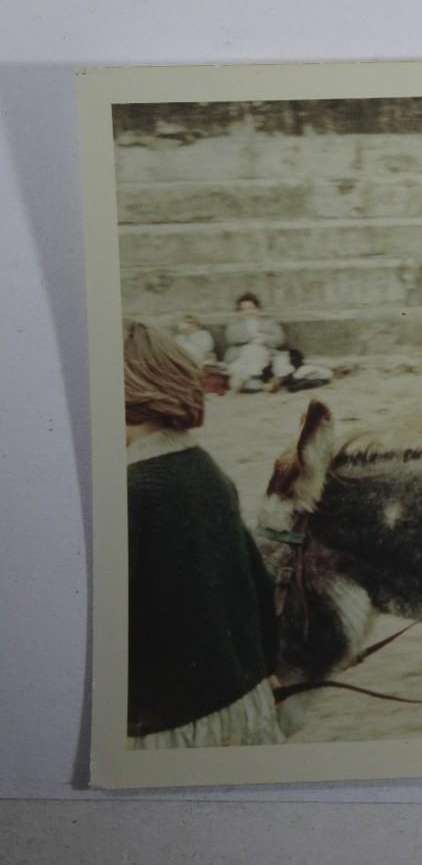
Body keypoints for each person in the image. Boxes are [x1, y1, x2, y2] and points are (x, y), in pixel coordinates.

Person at [124, 319, 282, 748]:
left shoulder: (131, 490)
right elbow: (257, 587)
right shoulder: (205, 468)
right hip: (245, 703)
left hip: (173, 728)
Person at [223, 292, 288, 392]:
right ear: (239, 311)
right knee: (238, 373)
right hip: (242, 354)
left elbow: (279, 339)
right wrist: (253, 336)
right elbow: (231, 338)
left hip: (266, 352)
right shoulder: (235, 323)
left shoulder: (269, 321)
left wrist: (263, 338)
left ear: (258, 308)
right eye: (244, 310)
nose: (248, 312)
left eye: (251, 308)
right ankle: (250, 384)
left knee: (280, 365)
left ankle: (260, 384)